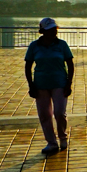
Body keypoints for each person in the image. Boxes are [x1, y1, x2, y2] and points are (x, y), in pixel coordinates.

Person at [24, 17, 75, 154]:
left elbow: (70, 64)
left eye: (54, 29)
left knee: (59, 112)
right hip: (41, 84)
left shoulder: (62, 45)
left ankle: (63, 137)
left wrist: (69, 83)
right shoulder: (34, 46)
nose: (53, 32)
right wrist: (31, 85)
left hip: (59, 83)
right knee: (45, 115)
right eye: (50, 30)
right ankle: (51, 142)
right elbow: (28, 66)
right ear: (42, 31)